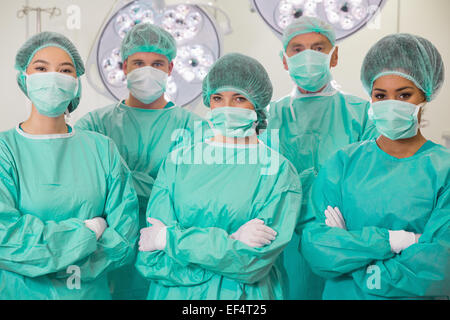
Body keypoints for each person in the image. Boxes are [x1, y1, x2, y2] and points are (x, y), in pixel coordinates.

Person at [135, 53, 306, 299]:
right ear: (208, 101)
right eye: (217, 98)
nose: (227, 107)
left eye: (239, 98)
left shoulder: (278, 172)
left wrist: (169, 239)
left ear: (257, 104)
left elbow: (251, 264)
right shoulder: (178, 162)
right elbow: (153, 259)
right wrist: (230, 242)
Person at [301, 33, 449, 300]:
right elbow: (317, 249)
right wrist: (392, 241)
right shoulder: (343, 163)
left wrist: (351, 252)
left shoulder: (443, 169)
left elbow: (439, 267)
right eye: (380, 95)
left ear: (425, 95)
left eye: (404, 95)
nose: (391, 104)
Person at [75, 23, 210, 299]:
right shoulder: (94, 126)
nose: (147, 70)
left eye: (157, 63)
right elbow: (84, 194)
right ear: (124, 67)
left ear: (171, 68)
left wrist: (124, 186)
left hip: (170, 256)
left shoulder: (197, 129)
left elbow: (198, 200)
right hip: (106, 253)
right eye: (138, 62)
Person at [0, 32, 139, 299]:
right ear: (23, 78)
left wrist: (46, 261)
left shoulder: (102, 149)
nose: (52, 77)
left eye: (65, 70)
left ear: (76, 84)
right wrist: (89, 232)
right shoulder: (5, 151)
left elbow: (124, 238)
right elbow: (5, 239)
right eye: (41, 68)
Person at [260, 16, 379, 300]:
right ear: (285, 60)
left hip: (344, 237)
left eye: (319, 48)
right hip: (282, 238)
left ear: (334, 55)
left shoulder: (363, 114)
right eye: (298, 49)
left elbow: (376, 181)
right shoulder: (267, 117)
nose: (308, 56)